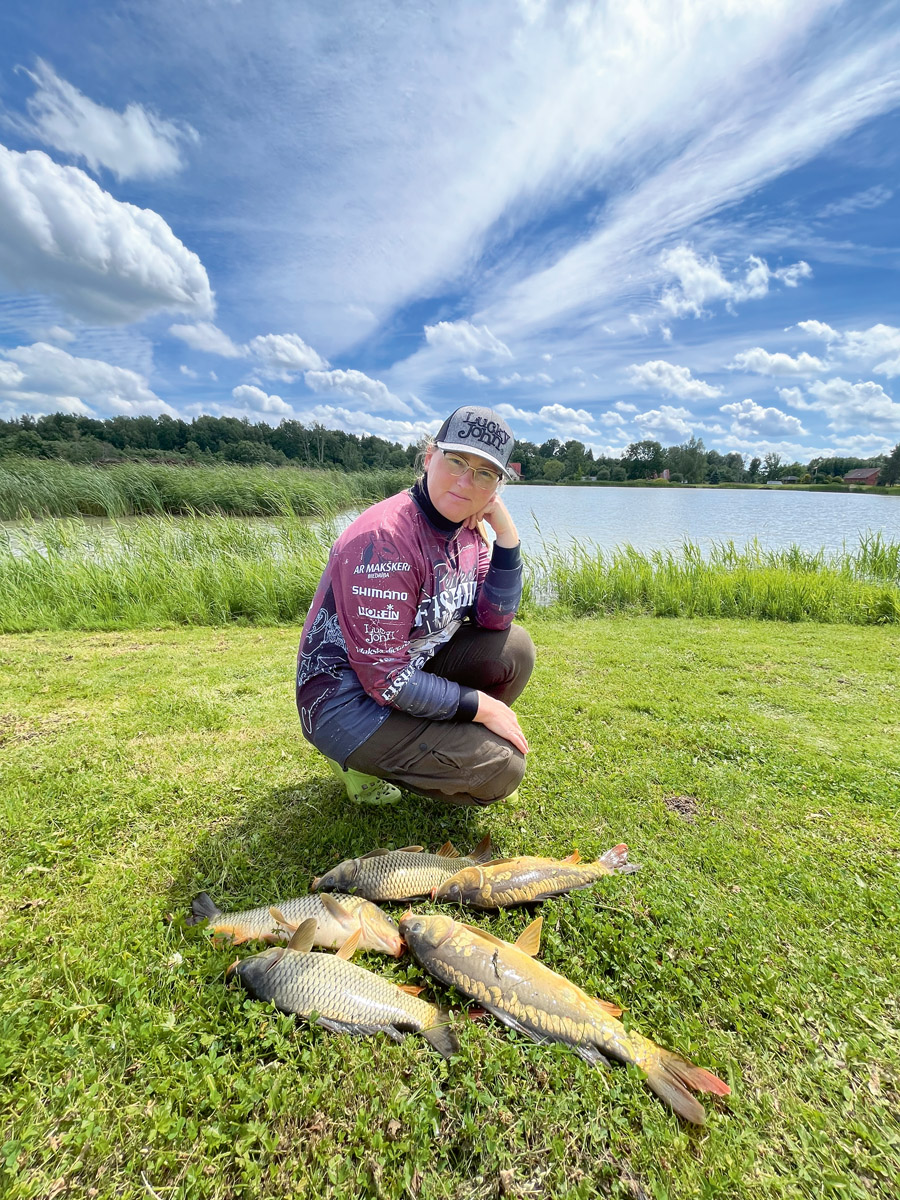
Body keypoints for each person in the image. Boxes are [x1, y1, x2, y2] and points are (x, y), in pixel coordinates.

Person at [295, 405, 535, 806]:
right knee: (502, 769)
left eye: (484, 473)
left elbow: (496, 618)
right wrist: (480, 708)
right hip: (345, 703)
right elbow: (384, 678)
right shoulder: (383, 541)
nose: (465, 481)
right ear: (429, 458)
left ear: (495, 487)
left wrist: (506, 534)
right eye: (456, 461)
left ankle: (437, 742)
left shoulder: (469, 533)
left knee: (516, 649)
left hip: (410, 670)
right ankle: (358, 763)